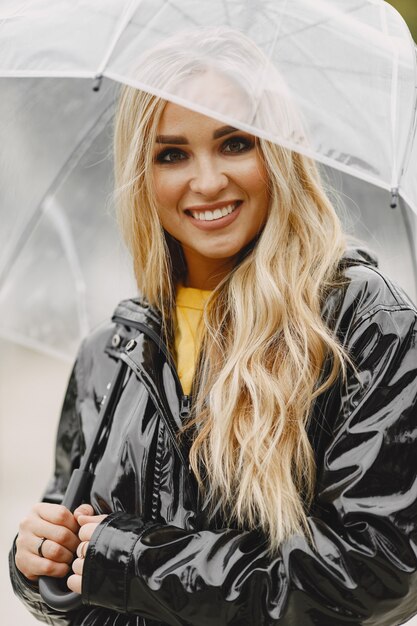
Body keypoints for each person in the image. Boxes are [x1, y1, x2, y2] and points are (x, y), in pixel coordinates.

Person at [9, 28, 417, 626]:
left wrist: (131, 561)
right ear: (142, 174)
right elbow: (77, 564)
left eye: (234, 144)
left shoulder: (362, 324)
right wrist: (38, 564)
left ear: (277, 151)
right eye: (171, 153)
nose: (206, 182)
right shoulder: (112, 352)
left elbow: (377, 569)